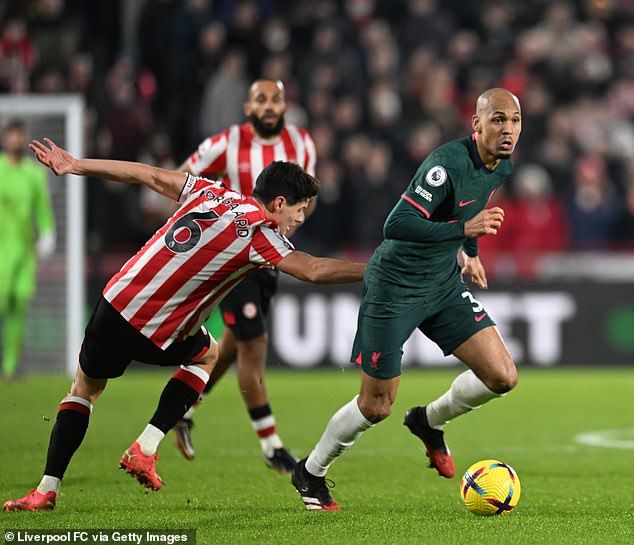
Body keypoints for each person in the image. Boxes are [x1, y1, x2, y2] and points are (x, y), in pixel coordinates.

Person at [3, 138, 364, 512]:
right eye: (299, 210)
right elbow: (314, 270)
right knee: (208, 355)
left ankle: (46, 489)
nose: (300, 220)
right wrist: (376, 270)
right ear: (278, 204)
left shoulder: (209, 191)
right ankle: (145, 445)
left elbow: (148, 175)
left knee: (83, 389)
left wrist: (76, 164)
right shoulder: (261, 233)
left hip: (114, 302)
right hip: (155, 327)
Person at [291, 88, 521, 511]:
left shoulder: (501, 166)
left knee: (503, 376)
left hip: (443, 283)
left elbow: (469, 213)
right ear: (477, 124)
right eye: (498, 119)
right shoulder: (445, 164)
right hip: (394, 287)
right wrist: (464, 234)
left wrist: (468, 256)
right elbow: (396, 224)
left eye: (515, 121)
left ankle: (428, 422)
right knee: (376, 406)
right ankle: (311, 471)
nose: (508, 130)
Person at [172, 78, 316, 473]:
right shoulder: (226, 142)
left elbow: (308, 197)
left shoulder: (302, 143)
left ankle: (182, 408)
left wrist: (288, 230)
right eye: (261, 100)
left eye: (276, 100)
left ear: (285, 106)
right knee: (254, 346)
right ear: (248, 108)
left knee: (235, 345)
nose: (269, 106)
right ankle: (272, 446)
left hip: (270, 258)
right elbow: (183, 177)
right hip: (236, 257)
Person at [0, 120, 55, 379]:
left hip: (24, 251)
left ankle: (10, 368)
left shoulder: (34, 174)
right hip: (2, 250)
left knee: (19, 306)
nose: (16, 139)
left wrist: (46, 235)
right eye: (12, 134)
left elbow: (42, 209)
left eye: (19, 134)